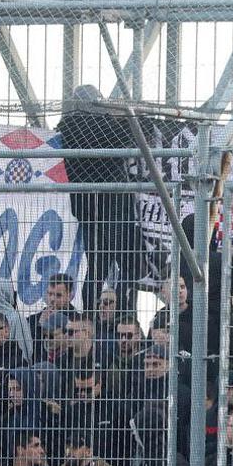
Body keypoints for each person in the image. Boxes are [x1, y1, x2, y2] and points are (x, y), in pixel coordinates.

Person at [57, 86, 149, 315]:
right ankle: (126, 316)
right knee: (127, 265)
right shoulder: (105, 126)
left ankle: (89, 316)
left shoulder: (66, 128)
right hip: (114, 205)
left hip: (87, 208)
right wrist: (127, 114)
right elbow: (132, 133)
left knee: (96, 269)